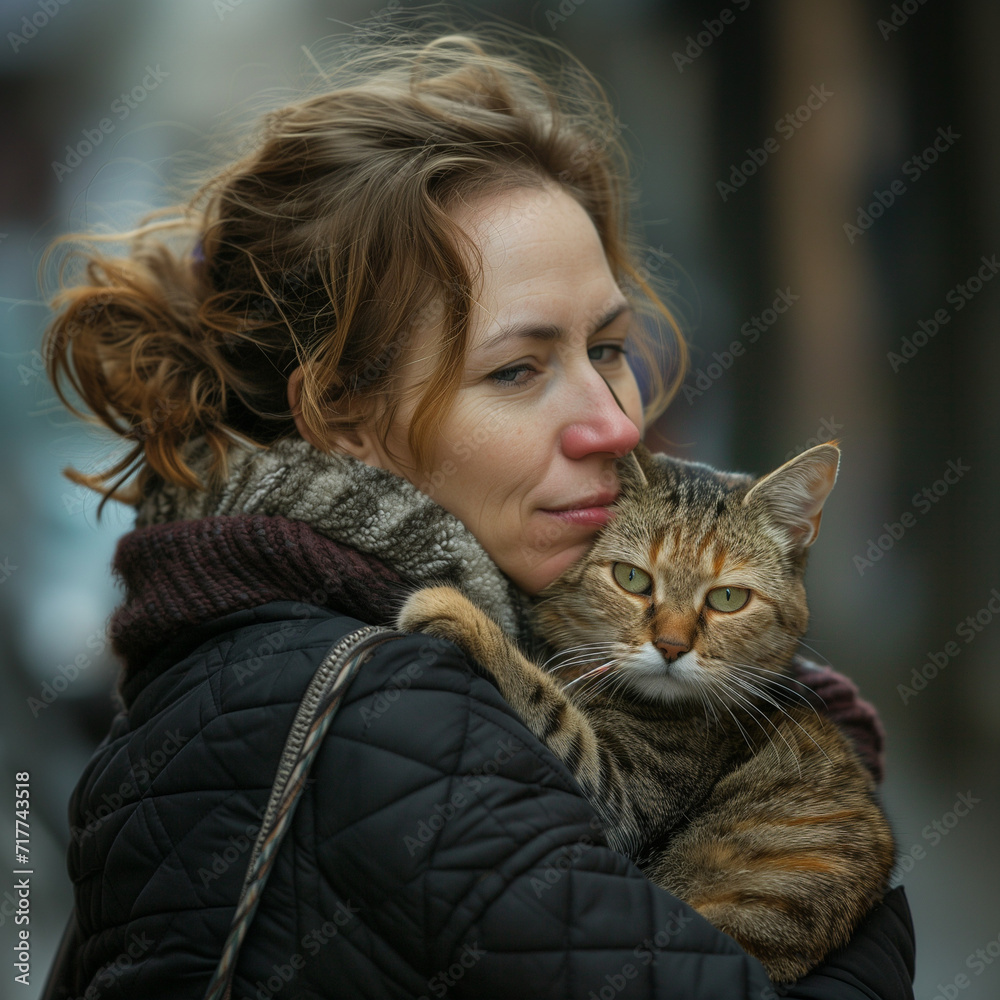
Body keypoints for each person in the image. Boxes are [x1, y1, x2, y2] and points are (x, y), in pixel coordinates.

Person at [40, 20, 915, 1000]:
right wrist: (871, 898)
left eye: (611, 348)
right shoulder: (401, 706)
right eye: (517, 368)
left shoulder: (274, 613)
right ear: (344, 420)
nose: (615, 425)